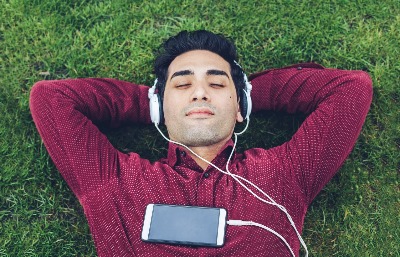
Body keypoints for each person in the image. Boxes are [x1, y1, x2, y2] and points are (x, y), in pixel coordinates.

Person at [30, 30, 373, 257]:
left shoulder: (282, 176)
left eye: (218, 84)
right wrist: (150, 103)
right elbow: (51, 98)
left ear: (239, 108)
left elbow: (351, 89)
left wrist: (248, 96)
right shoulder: (114, 181)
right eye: (181, 85)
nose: (199, 92)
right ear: (159, 108)